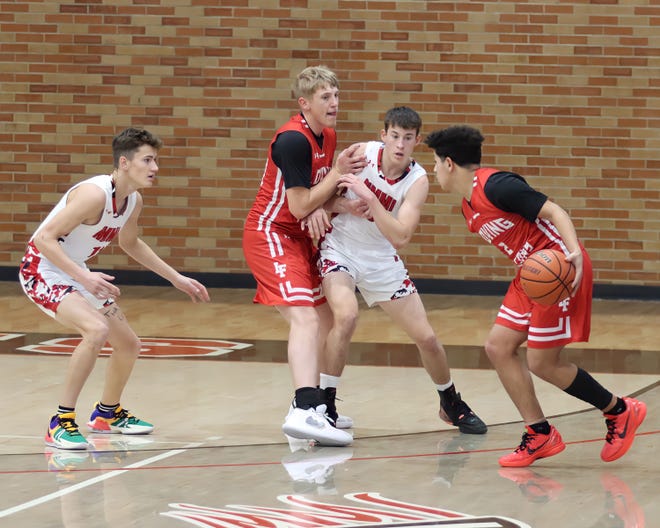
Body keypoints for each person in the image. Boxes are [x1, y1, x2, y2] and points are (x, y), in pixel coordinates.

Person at [423, 125, 647, 467]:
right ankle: (540, 433)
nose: (433, 170)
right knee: (498, 347)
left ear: (449, 163)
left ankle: (619, 410)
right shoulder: (467, 207)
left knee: (542, 362)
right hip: (531, 274)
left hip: (558, 265)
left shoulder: (498, 185)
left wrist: (573, 255)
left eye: (435, 163)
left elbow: (555, 212)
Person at [19, 127, 210, 450]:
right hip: (42, 268)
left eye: (156, 160)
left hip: (76, 271)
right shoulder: (94, 194)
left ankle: (106, 414)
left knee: (129, 344)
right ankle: (60, 421)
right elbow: (43, 239)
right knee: (96, 330)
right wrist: (84, 277)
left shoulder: (132, 201)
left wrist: (176, 278)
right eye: (148, 160)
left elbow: (131, 243)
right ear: (124, 163)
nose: (155, 168)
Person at [318, 106, 487, 435]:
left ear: (416, 141)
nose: (400, 144)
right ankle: (326, 404)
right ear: (383, 136)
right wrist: (344, 204)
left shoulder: (417, 180)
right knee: (347, 316)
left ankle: (450, 402)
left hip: (381, 257)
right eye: (394, 136)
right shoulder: (359, 154)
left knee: (427, 338)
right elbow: (320, 199)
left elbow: (400, 237)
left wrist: (371, 199)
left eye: (407, 138)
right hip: (340, 247)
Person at [242, 65, 367, 447]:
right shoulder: (291, 141)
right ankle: (302, 407)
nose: (334, 103)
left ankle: (319, 410)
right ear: (304, 103)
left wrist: (336, 205)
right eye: (325, 97)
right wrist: (334, 181)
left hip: (298, 236)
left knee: (328, 320)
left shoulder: (327, 136)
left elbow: (313, 196)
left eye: (336, 95)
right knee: (305, 318)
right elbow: (298, 205)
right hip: (271, 234)